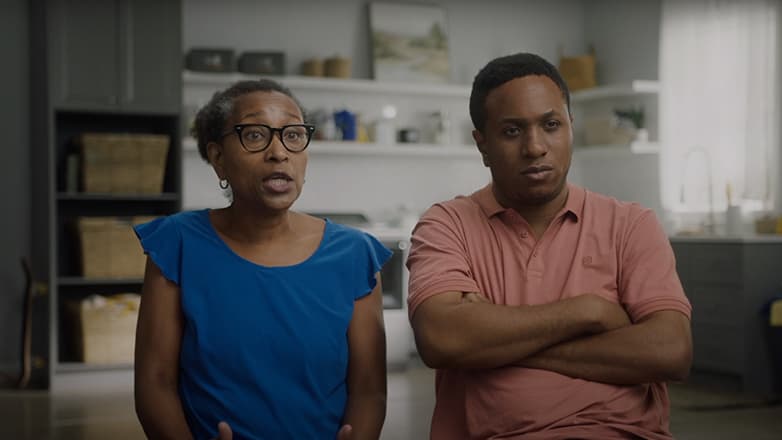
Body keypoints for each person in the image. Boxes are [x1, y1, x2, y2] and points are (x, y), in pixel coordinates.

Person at [406, 52, 693, 439]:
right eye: (512, 131)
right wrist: (588, 313)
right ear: (482, 144)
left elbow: (671, 351)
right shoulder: (447, 224)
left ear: (570, 128)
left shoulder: (631, 225)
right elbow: (442, 339)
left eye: (551, 125)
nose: (535, 147)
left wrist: (494, 343)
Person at [133, 79, 390, 440]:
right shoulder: (177, 243)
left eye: (294, 135)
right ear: (218, 158)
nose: (279, 152)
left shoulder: (354, 254)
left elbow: (369, 390)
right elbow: (154, 381)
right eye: (255, 135)